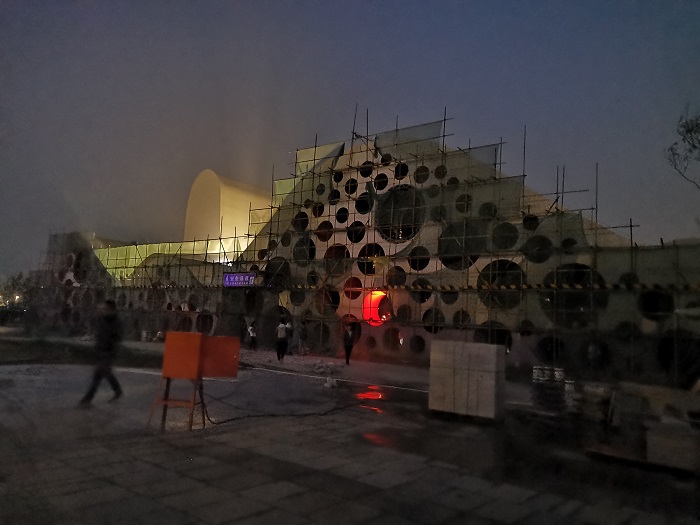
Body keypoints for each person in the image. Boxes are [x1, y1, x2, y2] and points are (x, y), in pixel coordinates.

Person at [79, 299, 123, 407]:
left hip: (108, 353)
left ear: (111, 310)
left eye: (105, 309)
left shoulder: (116, 322)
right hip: (101, 351)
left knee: (98, 376)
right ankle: (117, 390)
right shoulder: (102, 320)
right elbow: (99, 335)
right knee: (104, 374)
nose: (103, 310)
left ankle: (87, 400)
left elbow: (117, 338)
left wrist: (108, 347)